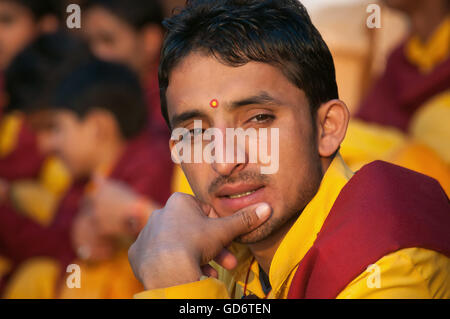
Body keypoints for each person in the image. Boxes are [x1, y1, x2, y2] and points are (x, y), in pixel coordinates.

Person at [128, 0, 450, 299]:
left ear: (327, 127)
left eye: (258, 119)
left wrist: (174, 286)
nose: (225, 161)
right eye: (197, 133)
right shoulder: (233, 259)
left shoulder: (387, 260)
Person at [2, 60, 173, 298]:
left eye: (58, 128)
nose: (48, 145)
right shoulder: (83, 179)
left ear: (97, 126)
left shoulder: (152, 165)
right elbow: (56, 242)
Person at [82, 0, 168, 134]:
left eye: (108, 40)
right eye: (88, 44)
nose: (97, 53)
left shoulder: (171, 104)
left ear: (150, 40)